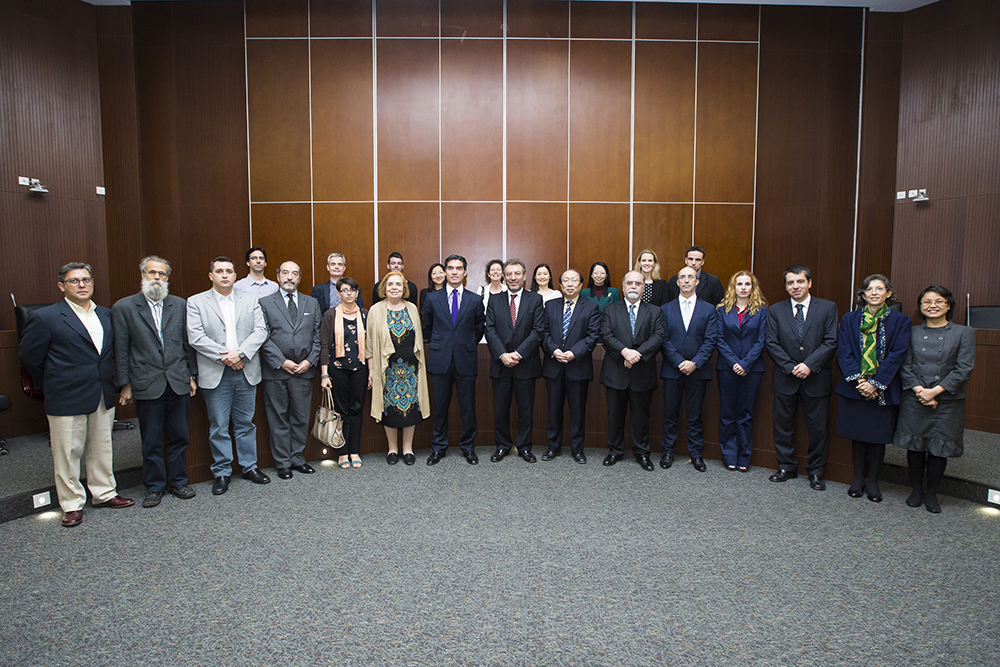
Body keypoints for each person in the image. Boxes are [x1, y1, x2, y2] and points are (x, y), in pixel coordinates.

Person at [20, 262, 134, 527]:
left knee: (102, 447)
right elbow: (29, 357)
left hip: (101, 391)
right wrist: (53, 381)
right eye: (74, 281)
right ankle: (71, 504)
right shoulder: (46, 317)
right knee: (67, 452)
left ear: (93, 283)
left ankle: (104, 493)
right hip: (65, 394)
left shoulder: (106, 315)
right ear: (62, 286)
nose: (82, 285)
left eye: (86, 280)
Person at [111, 255, 198, 508]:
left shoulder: (180, 305)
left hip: (178, 381)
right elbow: (121, 349)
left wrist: (191, 375)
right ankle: (154, 486)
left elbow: (187, 344)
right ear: (142, 276)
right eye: (152, 273)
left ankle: (179, 482)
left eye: (161, 274)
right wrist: (125, 384)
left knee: (179, 435)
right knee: (150, 438)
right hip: (145, 382)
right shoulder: (124, 308)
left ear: (167, 278)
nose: (157, 278)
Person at [187, 256, 271, 495]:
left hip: (246, 370)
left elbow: (260, 330)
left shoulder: (251, 300)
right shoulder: (195, 302)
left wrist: (241, 354)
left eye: (229, 271)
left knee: (245, 423)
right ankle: (222, 472)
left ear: (236, 276)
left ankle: (249, 467)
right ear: (210, 276)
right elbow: (196, 337)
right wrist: (227, 356)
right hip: (216, 373)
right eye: (219, 271)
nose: (225, 275)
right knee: (219, 426)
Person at [892, 286, 975, 513]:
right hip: (915, 397)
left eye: (938, 301)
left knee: (939, 447)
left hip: (947, 399)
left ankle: (932, 492)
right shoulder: (911, 331)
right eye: (926, 302)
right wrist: (922, 391)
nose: (932, 305)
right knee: (916, 445)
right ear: (920, 307)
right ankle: (916, 489)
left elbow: (963, 369)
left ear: (948, 305)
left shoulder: (963, 332)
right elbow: (904, 364)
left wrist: (935, 392)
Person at [835, 274, 912, 502]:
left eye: (880, 289)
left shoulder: (900, 321)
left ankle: (873, 482)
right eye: (869, 289)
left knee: (878, 437)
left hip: (883, 389)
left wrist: (875, 383)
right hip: (855, 386)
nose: (874, 293)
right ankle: (858, 479)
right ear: (863, 294)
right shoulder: (850, 319)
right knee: (858, 435)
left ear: (888, 293)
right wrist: (860, 381)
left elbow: (898, 354)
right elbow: (844, 351)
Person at [765, 264, 838, 491]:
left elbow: (831, 341)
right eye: (790, 283)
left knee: (818, 428)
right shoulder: (775, 310)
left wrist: (808, 365)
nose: (795, 286)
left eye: (800, 282)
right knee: (783, 425)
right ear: (785, 286)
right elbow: (772, 343)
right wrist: (790, 366)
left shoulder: (827, 308)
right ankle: (786, 466)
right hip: (785, 377)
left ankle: (816, 472)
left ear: (809, 283)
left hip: (816, 377)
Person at [258, 261, 321, 480]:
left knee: (301, 417)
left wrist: (310, 361)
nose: (289, 277)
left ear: (299, 278)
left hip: (304, 371)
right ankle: (282, 463)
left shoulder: (311, 303)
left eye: (294, 273)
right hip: (276, 371)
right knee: (278, 419)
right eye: (285, 272)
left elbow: (318, 337)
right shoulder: (264, 303)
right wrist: (281, 361)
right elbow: (262, 337)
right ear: (277, 276)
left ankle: (297, 459)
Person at [421, 254, 487, 465]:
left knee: (468, 408)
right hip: (440, 360)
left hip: (465, 359)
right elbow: (427, 327)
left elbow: (479, 328)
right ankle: (439, 448)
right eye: (450, 268)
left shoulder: (475, 299)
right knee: (440, 407)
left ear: (465, 272)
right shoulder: (432, 298)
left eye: (459, 268)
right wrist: (442, 343)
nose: (455, 272)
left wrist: (463, 344)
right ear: (445, 272)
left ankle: (468, 448)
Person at [599, 270, 665, 470]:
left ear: (643, 287)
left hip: (642, 372)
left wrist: (637, 355)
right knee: (615, 416)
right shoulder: (610, 310)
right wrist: (625, 352)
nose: (633, 286)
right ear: (623, 286)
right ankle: (615, 451)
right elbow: (606, 335)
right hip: (615, 372)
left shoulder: (655, 311)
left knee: (641, 417)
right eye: (630, 283)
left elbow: (658, 337)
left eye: (638, 283)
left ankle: (642, 453)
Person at [485, 259, 545, 463]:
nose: (513, 278)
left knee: (526, 409)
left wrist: (518, 354)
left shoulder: (535, 299)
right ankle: (502, 445)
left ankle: (524, 447)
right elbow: (490, 330)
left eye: (517, 274)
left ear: (525, 276)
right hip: (500, 364)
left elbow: (538, 331)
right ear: (503, 276)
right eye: (509, 274)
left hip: (525, 364)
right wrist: (503, 355)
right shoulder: (494, 299)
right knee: (501, 409)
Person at [367, 271, 430, 465]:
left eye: (398, 285)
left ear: (404, 289)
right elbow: (369, 344)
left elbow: (418, 339)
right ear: (384, 288)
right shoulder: (375, 310)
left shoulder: (412, 308)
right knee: (389, 409)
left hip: (411, 370)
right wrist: (371, 371)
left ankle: (408, 449)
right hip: (387, 370)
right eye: (390, 284)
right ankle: (392, 449)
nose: (394, 287)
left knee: (410, 408)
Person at [659, 266, 716, 472]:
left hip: (698, 371)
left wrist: (695, 362)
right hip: (672, 370)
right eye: (682, 277)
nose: (686, 281)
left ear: (697, 281)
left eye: (690, 277)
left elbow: (711, 340)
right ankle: (668, 452)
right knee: (670, 414)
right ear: (677, 282)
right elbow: (663, 339)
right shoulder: (665, 308)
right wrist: (678, 362)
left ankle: (696, 454)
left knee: (695, 415)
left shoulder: (709, 309)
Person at [541, 269, 600, 463]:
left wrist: (574, 353)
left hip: (578, 366)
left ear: (581, 285)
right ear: (560, 285)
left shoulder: (590, 307)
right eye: (566, 280)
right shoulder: (550, 306)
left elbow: (592, 336)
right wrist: (554, 350)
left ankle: (577, 450)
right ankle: (553, 447)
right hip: (554, 365)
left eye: (574, 280)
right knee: (553, 411)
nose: (570, 284)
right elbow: (543, 332)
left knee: (577, 411)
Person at [714, 271, 768, 472]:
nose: (743, 287)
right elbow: (719, 339)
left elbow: (761, 340)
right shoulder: (721, 310)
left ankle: (744, 457)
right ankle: (729, 455)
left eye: (747, 284)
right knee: (727, 413)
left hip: (752, 370)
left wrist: (745, 364)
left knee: (745, 413)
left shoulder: (762, 311)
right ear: (733, 287)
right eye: (739, 284)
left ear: (753, 287)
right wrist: (734, 362)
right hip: (726, 368)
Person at [320, 277, 370, 468]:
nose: (348, 293)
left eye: (352, 290)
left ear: (357, 293)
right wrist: (324, 374)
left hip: (360, 369)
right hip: (337, 370)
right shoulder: (330, 315)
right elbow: (324, 345)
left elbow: (371, 345)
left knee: (356, 411)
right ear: (339, 293)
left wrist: (371, 372)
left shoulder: (365, 314)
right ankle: (342, 452)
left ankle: (354, 451)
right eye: (344, 290)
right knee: (340, 412)